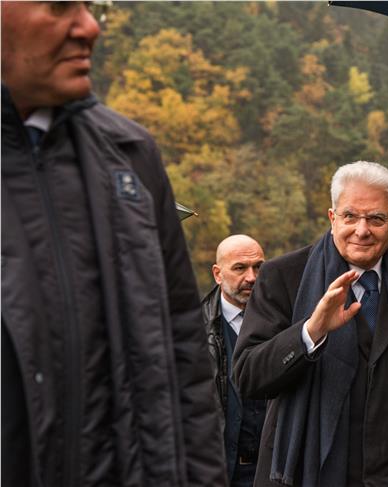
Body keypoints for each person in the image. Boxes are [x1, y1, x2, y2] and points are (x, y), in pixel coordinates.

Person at [1, 3, 225, 486]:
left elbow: (185, 358)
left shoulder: (130, 158)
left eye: (89, 6)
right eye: (60, 5)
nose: (88, 27)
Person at [233, 161, 388, 486]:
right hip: (304, 476)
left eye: (376, 218)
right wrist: (311, 331)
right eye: (350, 216)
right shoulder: (284, 276)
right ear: (332, 218)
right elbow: (247, 376)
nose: (361, 230)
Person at [202, 235, 267, 486]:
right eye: (240, 268)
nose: (251, 277)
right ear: (218, 274)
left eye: (259, 267)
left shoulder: (287, 323)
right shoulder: (193, 332)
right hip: (220, 473)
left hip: (273, 472)